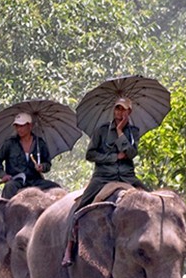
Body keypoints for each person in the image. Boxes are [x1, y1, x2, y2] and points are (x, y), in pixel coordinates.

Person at [61, 96, 148, 266]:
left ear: (129, 112)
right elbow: (90, 155)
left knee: (153, 203)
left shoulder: (133, 132)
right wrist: (113, 157)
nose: (119, 112)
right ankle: (69, 247)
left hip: (127, 176)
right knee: (79, 209)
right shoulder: (101, 131)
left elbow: (131, 154)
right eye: (117, 108)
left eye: (123, 109)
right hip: (102, 177)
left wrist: (121, 132)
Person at [0, 112, 63, 199]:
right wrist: (3, 175)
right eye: (17, 126)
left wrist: (42, 167)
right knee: (9, 187)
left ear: (30, 126)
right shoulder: (9, 143)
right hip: (16, 181)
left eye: (21, 126)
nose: (19, 129)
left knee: (56, 187)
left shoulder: (39, 143)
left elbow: (47, 164)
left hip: (35, 180)